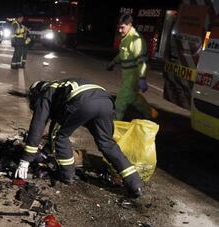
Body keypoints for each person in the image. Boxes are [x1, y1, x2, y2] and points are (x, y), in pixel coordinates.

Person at [14, 78, 144, 197]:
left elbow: (38, 125)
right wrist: (44, 153)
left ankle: (67, 175)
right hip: (106, 101)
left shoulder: (46, 93)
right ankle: (135, 184)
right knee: (107, 143)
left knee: (59, 136)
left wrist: (25, 159)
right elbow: (59, 122)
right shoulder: (60, 88)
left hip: (83, 101)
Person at [107, 13, 158, 120]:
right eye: (119, 27)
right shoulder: (126, 38)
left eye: (122, 27)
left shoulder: (136, 40)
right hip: (128, 76)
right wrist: (113, 62)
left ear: (130, 25)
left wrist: (142, 78)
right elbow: (123, 54)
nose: (120, 30)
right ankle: (150, 112)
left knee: (121, 99)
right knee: (133, 98)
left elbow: (142, 61)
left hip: (134, 76)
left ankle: (114, 124)